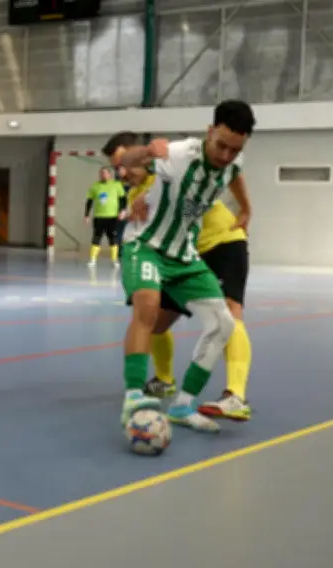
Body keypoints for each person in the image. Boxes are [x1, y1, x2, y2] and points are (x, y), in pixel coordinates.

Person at [102, 99, 256, 432]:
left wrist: (246, 208)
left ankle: (184, 406)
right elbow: (125, 161)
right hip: (146, 247)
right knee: (148, 306)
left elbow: (234, 173)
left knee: (223, 324)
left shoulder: (233, 160)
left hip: (185, 255)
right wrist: (145, 151)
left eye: (234, 148)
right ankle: (133, 394)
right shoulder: (177, 155)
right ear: (209, 131)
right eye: (222, 145)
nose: (226, 155)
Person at [84, 167, 127, 268]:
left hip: (112, 217)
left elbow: (123, 199)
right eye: (101, 173)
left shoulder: (116, 185)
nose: (102, 175)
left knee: (113, 238)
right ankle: (93, 259)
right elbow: (89, 201)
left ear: (109, 174)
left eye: (104, 173)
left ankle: (114, 260)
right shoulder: (95, 186)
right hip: (99, 217)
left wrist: (122, 211)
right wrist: (86, 215)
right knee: (96, 237)